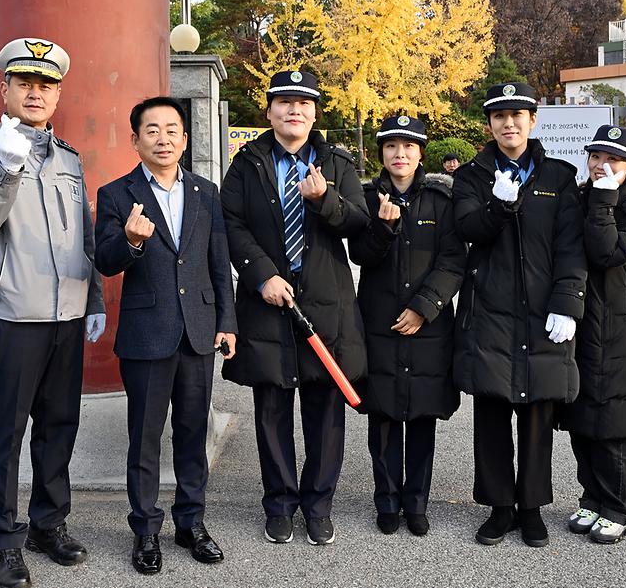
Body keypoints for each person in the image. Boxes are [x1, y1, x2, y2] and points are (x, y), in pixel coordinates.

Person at [0, 37, 106, 588]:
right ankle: (2, 540)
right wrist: (7, 166)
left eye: (46, 85)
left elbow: (84, 235)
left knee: (59, 426)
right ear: (6, 90)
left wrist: (93, 298)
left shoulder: (69, 158)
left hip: (66, 314)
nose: (36, 93)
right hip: (14, 316)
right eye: (25, 83)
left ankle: (49, 523)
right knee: (6, 433)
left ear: (58, 95)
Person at [221, 69, 369, 546]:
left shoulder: (337, 162)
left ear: (315, 113)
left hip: (324, 300)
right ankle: (280, 504)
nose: (294, 110)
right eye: (284, 102)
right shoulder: (247, 163)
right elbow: (231, 223)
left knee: (325, 411)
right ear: (269, 112)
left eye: (304, 103)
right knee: (272, 408)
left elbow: (359, 222)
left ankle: (318, 505)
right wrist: (261, 274)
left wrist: (325, 199)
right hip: (267, 301)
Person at [94, 97, 237, 575]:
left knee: (193, 433)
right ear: (135, 140)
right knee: (145, 438)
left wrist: (227, 322)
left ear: (185, 139)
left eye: (172, 129)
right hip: (147, 333)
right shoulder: (117, 194)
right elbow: (105, 260)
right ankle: (146, 529)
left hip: (198, 331)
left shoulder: (205, 192)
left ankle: (191, 523)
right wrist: (131, 241)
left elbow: (219, 262)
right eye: (152, 130)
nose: (163, 138)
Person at [452, 82, 587, 549]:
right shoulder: (472, 176)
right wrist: (498, 205)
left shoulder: (558, 177)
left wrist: (568, 302)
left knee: (536, 415)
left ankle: (531, 508)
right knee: (491, 412)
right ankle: (499, 507)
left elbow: (571, 247)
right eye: (499, 116)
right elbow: (467, 228)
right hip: (489, 310)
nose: (509, 123)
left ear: (533, 121)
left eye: (517, 115)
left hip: (542, 312)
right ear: (489, 124)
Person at [349, 115, 465, 537]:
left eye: (409, 146)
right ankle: (387, 501)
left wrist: (424, 307)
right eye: (391, 146)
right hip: (379, 323)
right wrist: (383, 228)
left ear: (421, 153)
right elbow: (360, 255)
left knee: (421, 417)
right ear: (381, 152)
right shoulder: (365, 197)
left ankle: (416, 503)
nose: (400, 154)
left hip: (427, 326)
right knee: (382, 416)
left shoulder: (440, 200)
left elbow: (453, 261)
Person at [561, 125, 626, 544]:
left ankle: (619, 507)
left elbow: (607, 253)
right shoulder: (579, 198)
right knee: (582, 417)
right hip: (578, 323)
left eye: (612, 160)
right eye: (596, 157)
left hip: (617, 328)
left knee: (612, 424)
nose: (601, 165)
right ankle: (591, 498)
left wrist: (603, 199)